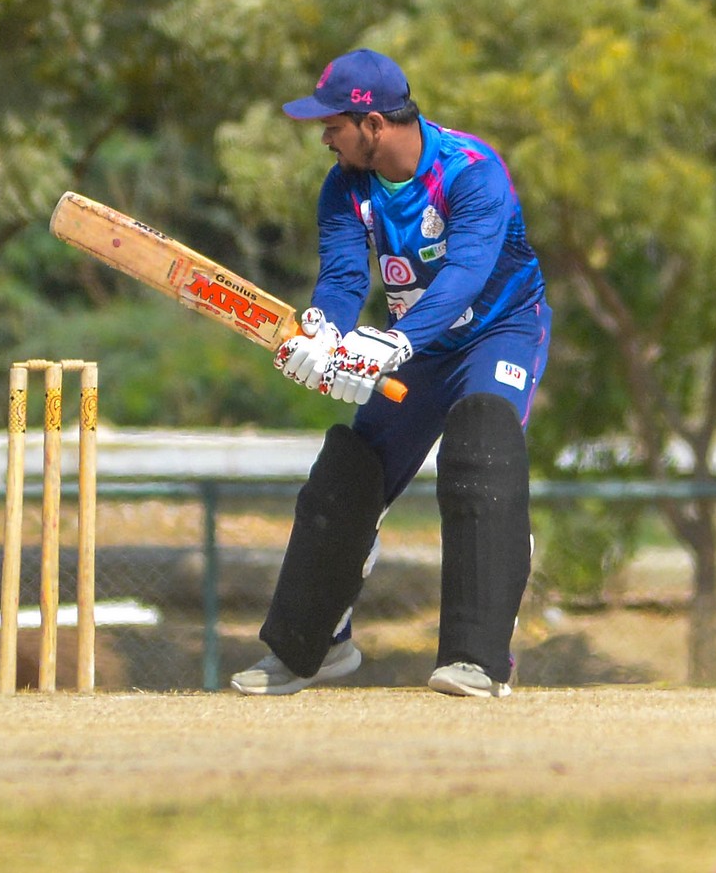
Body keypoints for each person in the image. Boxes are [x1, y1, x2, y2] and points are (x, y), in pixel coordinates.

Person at [231, 49, 550, 698]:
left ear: (373, 124)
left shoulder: (471, 170)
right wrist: (325, 333)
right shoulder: (344, 187)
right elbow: (344, 276)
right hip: (418, 351)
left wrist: (393, 342)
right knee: (348, 472)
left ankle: (477, 660)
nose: (325, 138)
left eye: (334, 125)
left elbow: (466, 274)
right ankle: (313, 646)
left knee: (481, 443)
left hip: (498, 331)